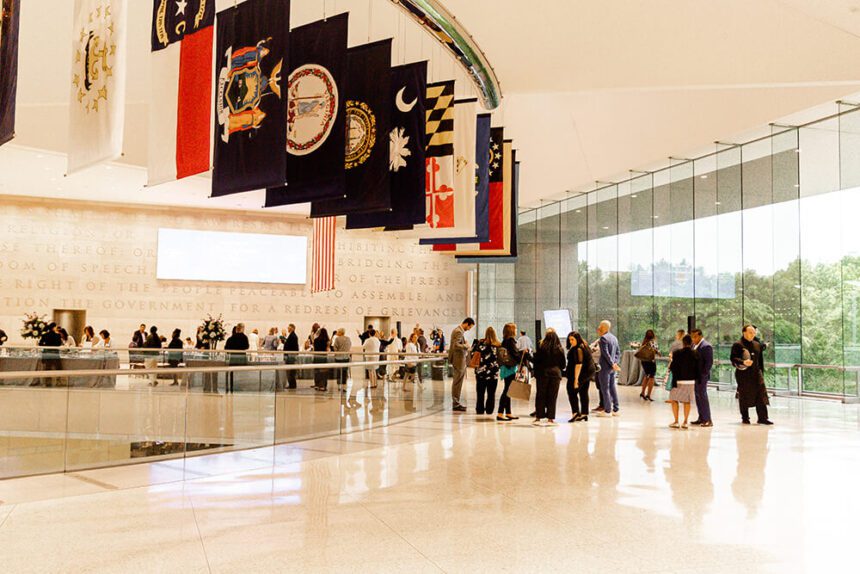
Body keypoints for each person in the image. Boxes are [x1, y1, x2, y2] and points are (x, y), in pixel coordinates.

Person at [731, 325, 773, 425]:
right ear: (744, 332)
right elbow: (733, 359)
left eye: (754, 333)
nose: (753, 335)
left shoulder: (757, 344)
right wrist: (743, 362)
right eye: (750, 332)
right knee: (744, 395)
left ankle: (763, 418)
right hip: (743, 374)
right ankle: (745, 417)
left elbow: (760, 361)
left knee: (761, 394)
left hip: (756, 373)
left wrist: (761, 372)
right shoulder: (738, 344)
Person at [532, 330, 566, 426]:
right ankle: (550, 418)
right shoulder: (560, 349)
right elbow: (563, 365)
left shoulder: (542, 348)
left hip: (543, 374)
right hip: (555, 374)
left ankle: (539, 417)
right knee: (552, 396)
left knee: (540, 395)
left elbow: (536, 361)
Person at [668, 335, 698, 429]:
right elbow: (698, 368)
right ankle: (685, 422)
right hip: (690, 381)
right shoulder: (695, 353)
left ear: (683, 343)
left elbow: (672, 367)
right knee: (687, 401)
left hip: (678, 380)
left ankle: (676, 421)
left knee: (674, 400)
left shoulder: (677, 353)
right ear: (691, 343)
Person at [565, 331, 596, 422]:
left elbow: (578, 365)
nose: (571, 341)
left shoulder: (578, 349)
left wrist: (576, 380)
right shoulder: (584, 345)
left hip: (581, 374)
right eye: (569, 339)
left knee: (572, 391)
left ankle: (576, 413)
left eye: (572, 339)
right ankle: (584, 413)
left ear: (577, 339)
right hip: (587, 374)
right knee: (583, 393)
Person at [497, 323, 525, 421]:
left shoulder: (505, 340)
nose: (517, 330)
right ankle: (500, 413)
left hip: (505, 368)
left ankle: (508, 412)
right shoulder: (511, 341)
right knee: (507, 391)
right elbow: (515, 354)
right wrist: (522, 354)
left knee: (508, 390)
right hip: (510, 368)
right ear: (512, 330)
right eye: (515, 328)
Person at [471, 326, 501, 416]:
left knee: (480, 392)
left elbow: (473, 354)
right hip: (493, 373)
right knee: (491, 393)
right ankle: (489, 410)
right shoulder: (498, 345)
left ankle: (479, 409)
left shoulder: (480, 344)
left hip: (481, 373)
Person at [448, 318, 475, 412]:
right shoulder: (458, 331)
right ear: (467, 324)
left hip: (459, 359)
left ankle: (456, 403)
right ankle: (455, 403)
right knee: (457, 382)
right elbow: (456, 345)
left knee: (458, 382)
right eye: (469, 327)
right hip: (458, 360)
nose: (469, 329)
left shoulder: (458, 331)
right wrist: (466, 346)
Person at [597, 320, 622, 417]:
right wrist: (615, 363)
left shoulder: (603, 338)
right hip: (612, 368)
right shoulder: (614, 338)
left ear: (603, 327)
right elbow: (618, 352)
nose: (598, 327)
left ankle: (607, 410)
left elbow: (605, 353)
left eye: (600, 326)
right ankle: (616, 408)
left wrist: (612, 364)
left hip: (605, 367)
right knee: (612, 387)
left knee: (605, 388)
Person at [690, 328, 714, 427]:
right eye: (692, 337)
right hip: (695, 375)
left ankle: (708, 419)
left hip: (702, 376)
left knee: (702, 396)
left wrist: (703, 374)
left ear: (700, 336)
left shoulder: (706, 346)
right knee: (698, 396)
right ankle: (701, 417)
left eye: (695, 337)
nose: (693, 339)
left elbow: (709, 363)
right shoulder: (694, 345)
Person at [224, 324, 250, 394]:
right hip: (241, 358)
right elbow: (247, 346)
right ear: (242, 329)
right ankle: (240, 387)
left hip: (233, 358)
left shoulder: (231, 338)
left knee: (232, 373)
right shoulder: (244, 337)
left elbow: (226, 348)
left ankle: (232, 387)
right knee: (241, 374)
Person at [636, 329, 660, 401]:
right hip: (651, 361)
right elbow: (655, 350)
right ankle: (648, 395)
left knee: (646, 376)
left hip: (644, 361)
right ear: (653, 335)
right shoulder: (653, 341)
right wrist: (658, 352)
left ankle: (642, 392)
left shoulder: (644, 342)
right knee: (652, 377)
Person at [362, 329, 382, 399]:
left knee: (370, 371)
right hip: (376, 356)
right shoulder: (377, 340)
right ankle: (375, 383)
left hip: (369, 356)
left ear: (369, 334)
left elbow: (363, 347)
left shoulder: (368, 340)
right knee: (374, 370)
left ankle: (372, 384)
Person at [283, 324, 299, 389]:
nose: (288, 329)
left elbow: (291, 346)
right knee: (290, 371)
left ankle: (292, 385)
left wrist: (286, 342)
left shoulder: (293, 336)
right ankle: (292, 384)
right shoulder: (292, 336)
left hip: (291, 355)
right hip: (290, 354)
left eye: (289, 328)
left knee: (291, 371)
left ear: (292, 328)